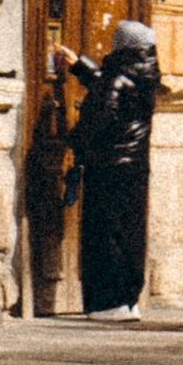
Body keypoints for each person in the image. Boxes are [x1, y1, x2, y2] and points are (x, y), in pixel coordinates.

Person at [48, 18, 158, 317]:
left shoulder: (116, 77)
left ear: (122, 45)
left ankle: (108, 302)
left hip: (109, 166)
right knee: (129, 232)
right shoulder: (145, 75)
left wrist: (70, 140)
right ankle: (129, 301)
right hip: (135, 166)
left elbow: (101, 113)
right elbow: (114, 89)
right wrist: (81, 67)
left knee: (105, 232)